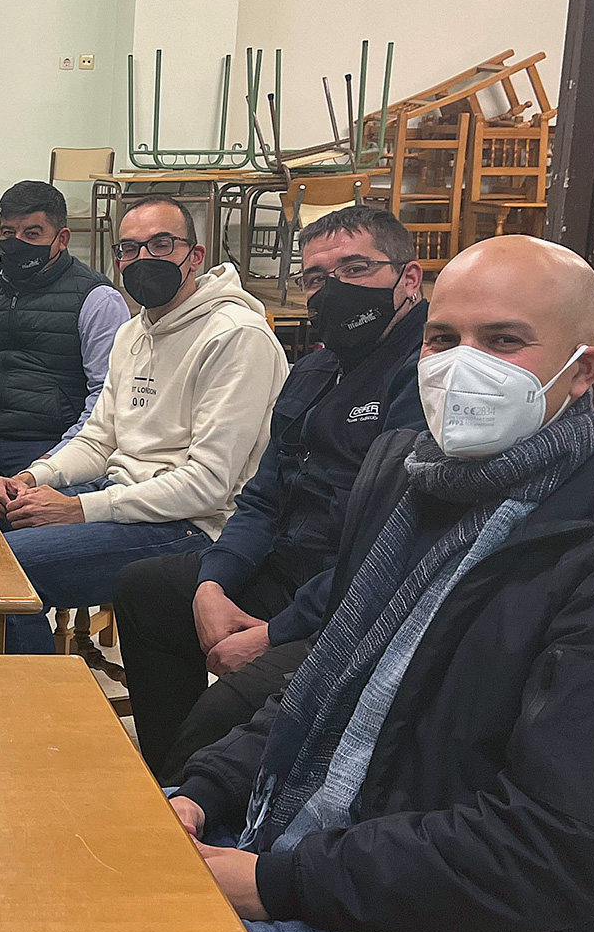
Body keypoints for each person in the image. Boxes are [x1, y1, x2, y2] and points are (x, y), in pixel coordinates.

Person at [177, 235, 594, 932]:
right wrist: (203, 793)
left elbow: (554, 850)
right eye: (443, 340)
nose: (460, 366)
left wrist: (279, 884)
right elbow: (324, 680)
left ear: (583, 371)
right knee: (82, 885)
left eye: (505, 342)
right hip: (340, 858)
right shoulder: (415, 483)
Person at [114, 205, 427, 782]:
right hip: (288, 569)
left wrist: (273, 635)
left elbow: (388, 546)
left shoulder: (423, 376)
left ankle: (200, 797)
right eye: (315, 278)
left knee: (220, 715)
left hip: (356, 603)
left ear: (408, 279)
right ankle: (170, 784)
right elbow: (263, 495)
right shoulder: (317, 369)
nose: (332, 290)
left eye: (355, 269)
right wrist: (214, 581)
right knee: (150, 591)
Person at [0, 197, 286, 653]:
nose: (143, 259)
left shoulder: (236, 336)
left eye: (160, 244)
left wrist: (77, 510)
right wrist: (32, 477)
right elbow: (99, 438)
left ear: (194, 256)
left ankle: (42, 715)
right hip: (123, 496)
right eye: (128, 249)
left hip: (194, 526)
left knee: (1, 570)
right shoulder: (133, 331)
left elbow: (209, 485)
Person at [0, 180, 127, 485]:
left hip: (49, 443)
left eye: (32, 233)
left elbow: (105, 397)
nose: (17, 243)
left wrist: (56, 460)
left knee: (16, 510)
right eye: (8, 233)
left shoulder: (97, 299)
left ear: (62, 238)